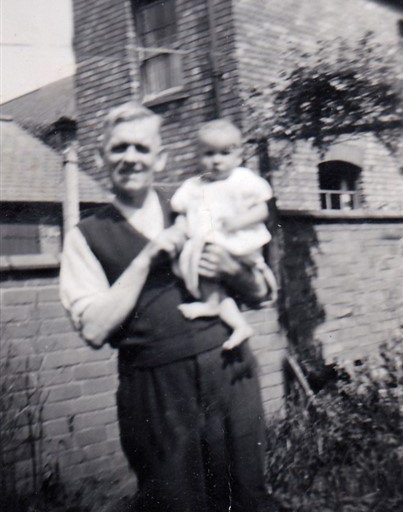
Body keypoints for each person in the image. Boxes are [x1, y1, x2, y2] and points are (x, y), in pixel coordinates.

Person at [60, 102, 271, 512]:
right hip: (155, 389)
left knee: (247, 497)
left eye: (142, 148)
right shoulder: (86, 236)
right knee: (174, 502)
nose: (130, 158)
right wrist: (145, 259)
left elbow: (262, 292)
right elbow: (93, 330)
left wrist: (233, 269)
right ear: (101, 157)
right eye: (119, 148)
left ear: (161, 158)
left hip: (228, 367)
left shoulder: (197, 201)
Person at [171, 119, 278, 350]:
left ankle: (212, 304)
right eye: (209, 153)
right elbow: (179, 210)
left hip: (242, 242)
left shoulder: (244, 180)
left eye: (225, 153)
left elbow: (262, 210)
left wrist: (237, 222)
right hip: (215, 245)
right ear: (198, 156)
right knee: (207, 273)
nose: (217, 160)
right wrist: (182, 229)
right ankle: (238, 325)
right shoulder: (194, 185)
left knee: (211, 267)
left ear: (239, 156)